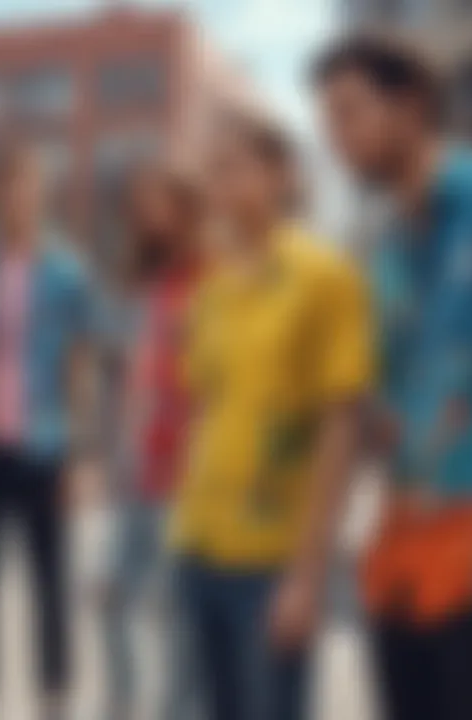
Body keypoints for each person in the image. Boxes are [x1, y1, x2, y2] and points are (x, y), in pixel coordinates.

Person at [312, 35, 472, 720]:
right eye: (327, 119)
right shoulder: (380, 245)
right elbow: (374, 405)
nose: (334, 137)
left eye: (349, 112)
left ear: (413, 105)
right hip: (399, 548)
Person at [171, 117, 373, 720]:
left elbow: (341, 428)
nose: (219, 185)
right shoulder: (213, 286)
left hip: (274, 562)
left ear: (282, 174)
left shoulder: (325, 276)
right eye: (211, 171)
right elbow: (207, 409)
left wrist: (309, 577)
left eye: (234, 166)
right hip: (200, 546)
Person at [0, 143, 92, 720]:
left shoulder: (67, 269)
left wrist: (79, 454)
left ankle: (54, 699)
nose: (16, 198)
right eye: (6, 187)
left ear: (42, 193)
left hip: (43, 446)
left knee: (50, 584)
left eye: (27, 186)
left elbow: (78, 366)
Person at [98, 164, 204, 720]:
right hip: (138, 470)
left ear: (184, 207)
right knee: (112, 594)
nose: (141, 213)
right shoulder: (141, 281)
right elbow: (126, 375)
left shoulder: (210, 274)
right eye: (136, 203)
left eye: (153, 200)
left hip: (190, 475)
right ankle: (123, 699)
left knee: (179, 617)